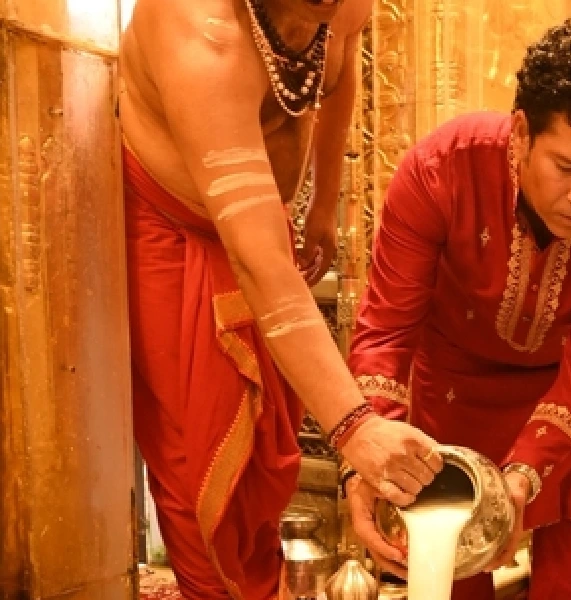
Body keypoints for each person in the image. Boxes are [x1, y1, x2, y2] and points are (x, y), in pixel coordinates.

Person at [342, 13, 571, 600]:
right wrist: (368, 451)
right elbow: (387, 329)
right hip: (452, 383)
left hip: (566, 393)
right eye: (566, 168)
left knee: (563, 578)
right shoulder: (439, 170)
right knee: (450, 575)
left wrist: (525, 473)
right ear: (521, 131)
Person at [119, 0, 443, 597]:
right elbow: (259, 262)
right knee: (205, 480)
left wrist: (321, 200)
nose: (318, 20)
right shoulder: (198, 29)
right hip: (175, 234)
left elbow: (339, 70)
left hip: (267, 232)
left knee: (268, 471)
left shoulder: (342, 6)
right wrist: (355, 429)